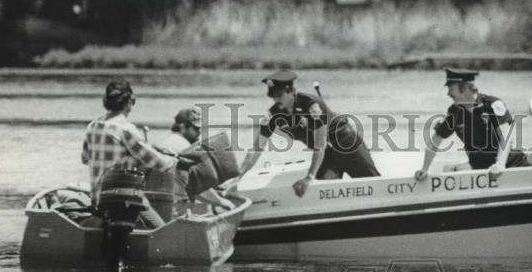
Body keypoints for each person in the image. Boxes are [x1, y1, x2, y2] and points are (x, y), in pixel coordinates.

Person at [247, 70, 380, 197]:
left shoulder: (311, 104)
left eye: (279, 95)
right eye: (273, 96)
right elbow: (256, 149)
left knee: (374, 186)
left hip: (346, 145)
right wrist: (239, 177)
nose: (276, 100)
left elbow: (319, 145)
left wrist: (309, 177)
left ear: (291, 91)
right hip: (326, 156)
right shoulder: (273, 115)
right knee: (320, 193)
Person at [81, 80, 183, 226]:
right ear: (130, 102)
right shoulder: (126, 129)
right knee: (161, 231)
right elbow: (160, 164)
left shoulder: (92, 126)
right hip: (124, 200)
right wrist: (177, 160)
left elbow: (85, 159)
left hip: (97, 200)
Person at [414, 68, 532, 182]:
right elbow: (436, 139)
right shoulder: (454, 112)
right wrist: (425, 168)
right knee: (452, 170)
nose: (448, 93)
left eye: (451, 88)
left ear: (465, 88)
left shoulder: (492, 105)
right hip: (481, 170)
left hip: (511, 166)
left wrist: (500, 165)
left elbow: (506, 137)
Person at [155, 107, 234, 211]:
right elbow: (198, 186)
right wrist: (220, 201)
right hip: (171, 206)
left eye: (200, 129)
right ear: (183, 127)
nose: (199, 132)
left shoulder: (168, 141)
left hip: (159, 200)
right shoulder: (182, 147)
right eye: (196, 129)